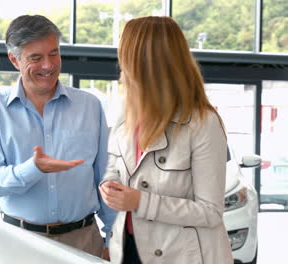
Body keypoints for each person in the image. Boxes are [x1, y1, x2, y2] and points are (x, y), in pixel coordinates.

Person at [0, 14, 116, 258]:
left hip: (84, 241)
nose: (48, 65)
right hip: (20, 244)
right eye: (36, 58)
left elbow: (106, 176)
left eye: (54, 53)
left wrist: (112, 238)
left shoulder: (90, 106)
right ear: (14, 60)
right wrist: (32, 169)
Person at [99, 16, 233, 264]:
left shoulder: (202, 123)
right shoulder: (126, 115)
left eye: (123, 51)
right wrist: (110, 187)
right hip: (129, 251)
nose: (120, 62)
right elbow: (117, 171)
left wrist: (140, 201)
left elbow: (211, 212)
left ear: (141, 60)